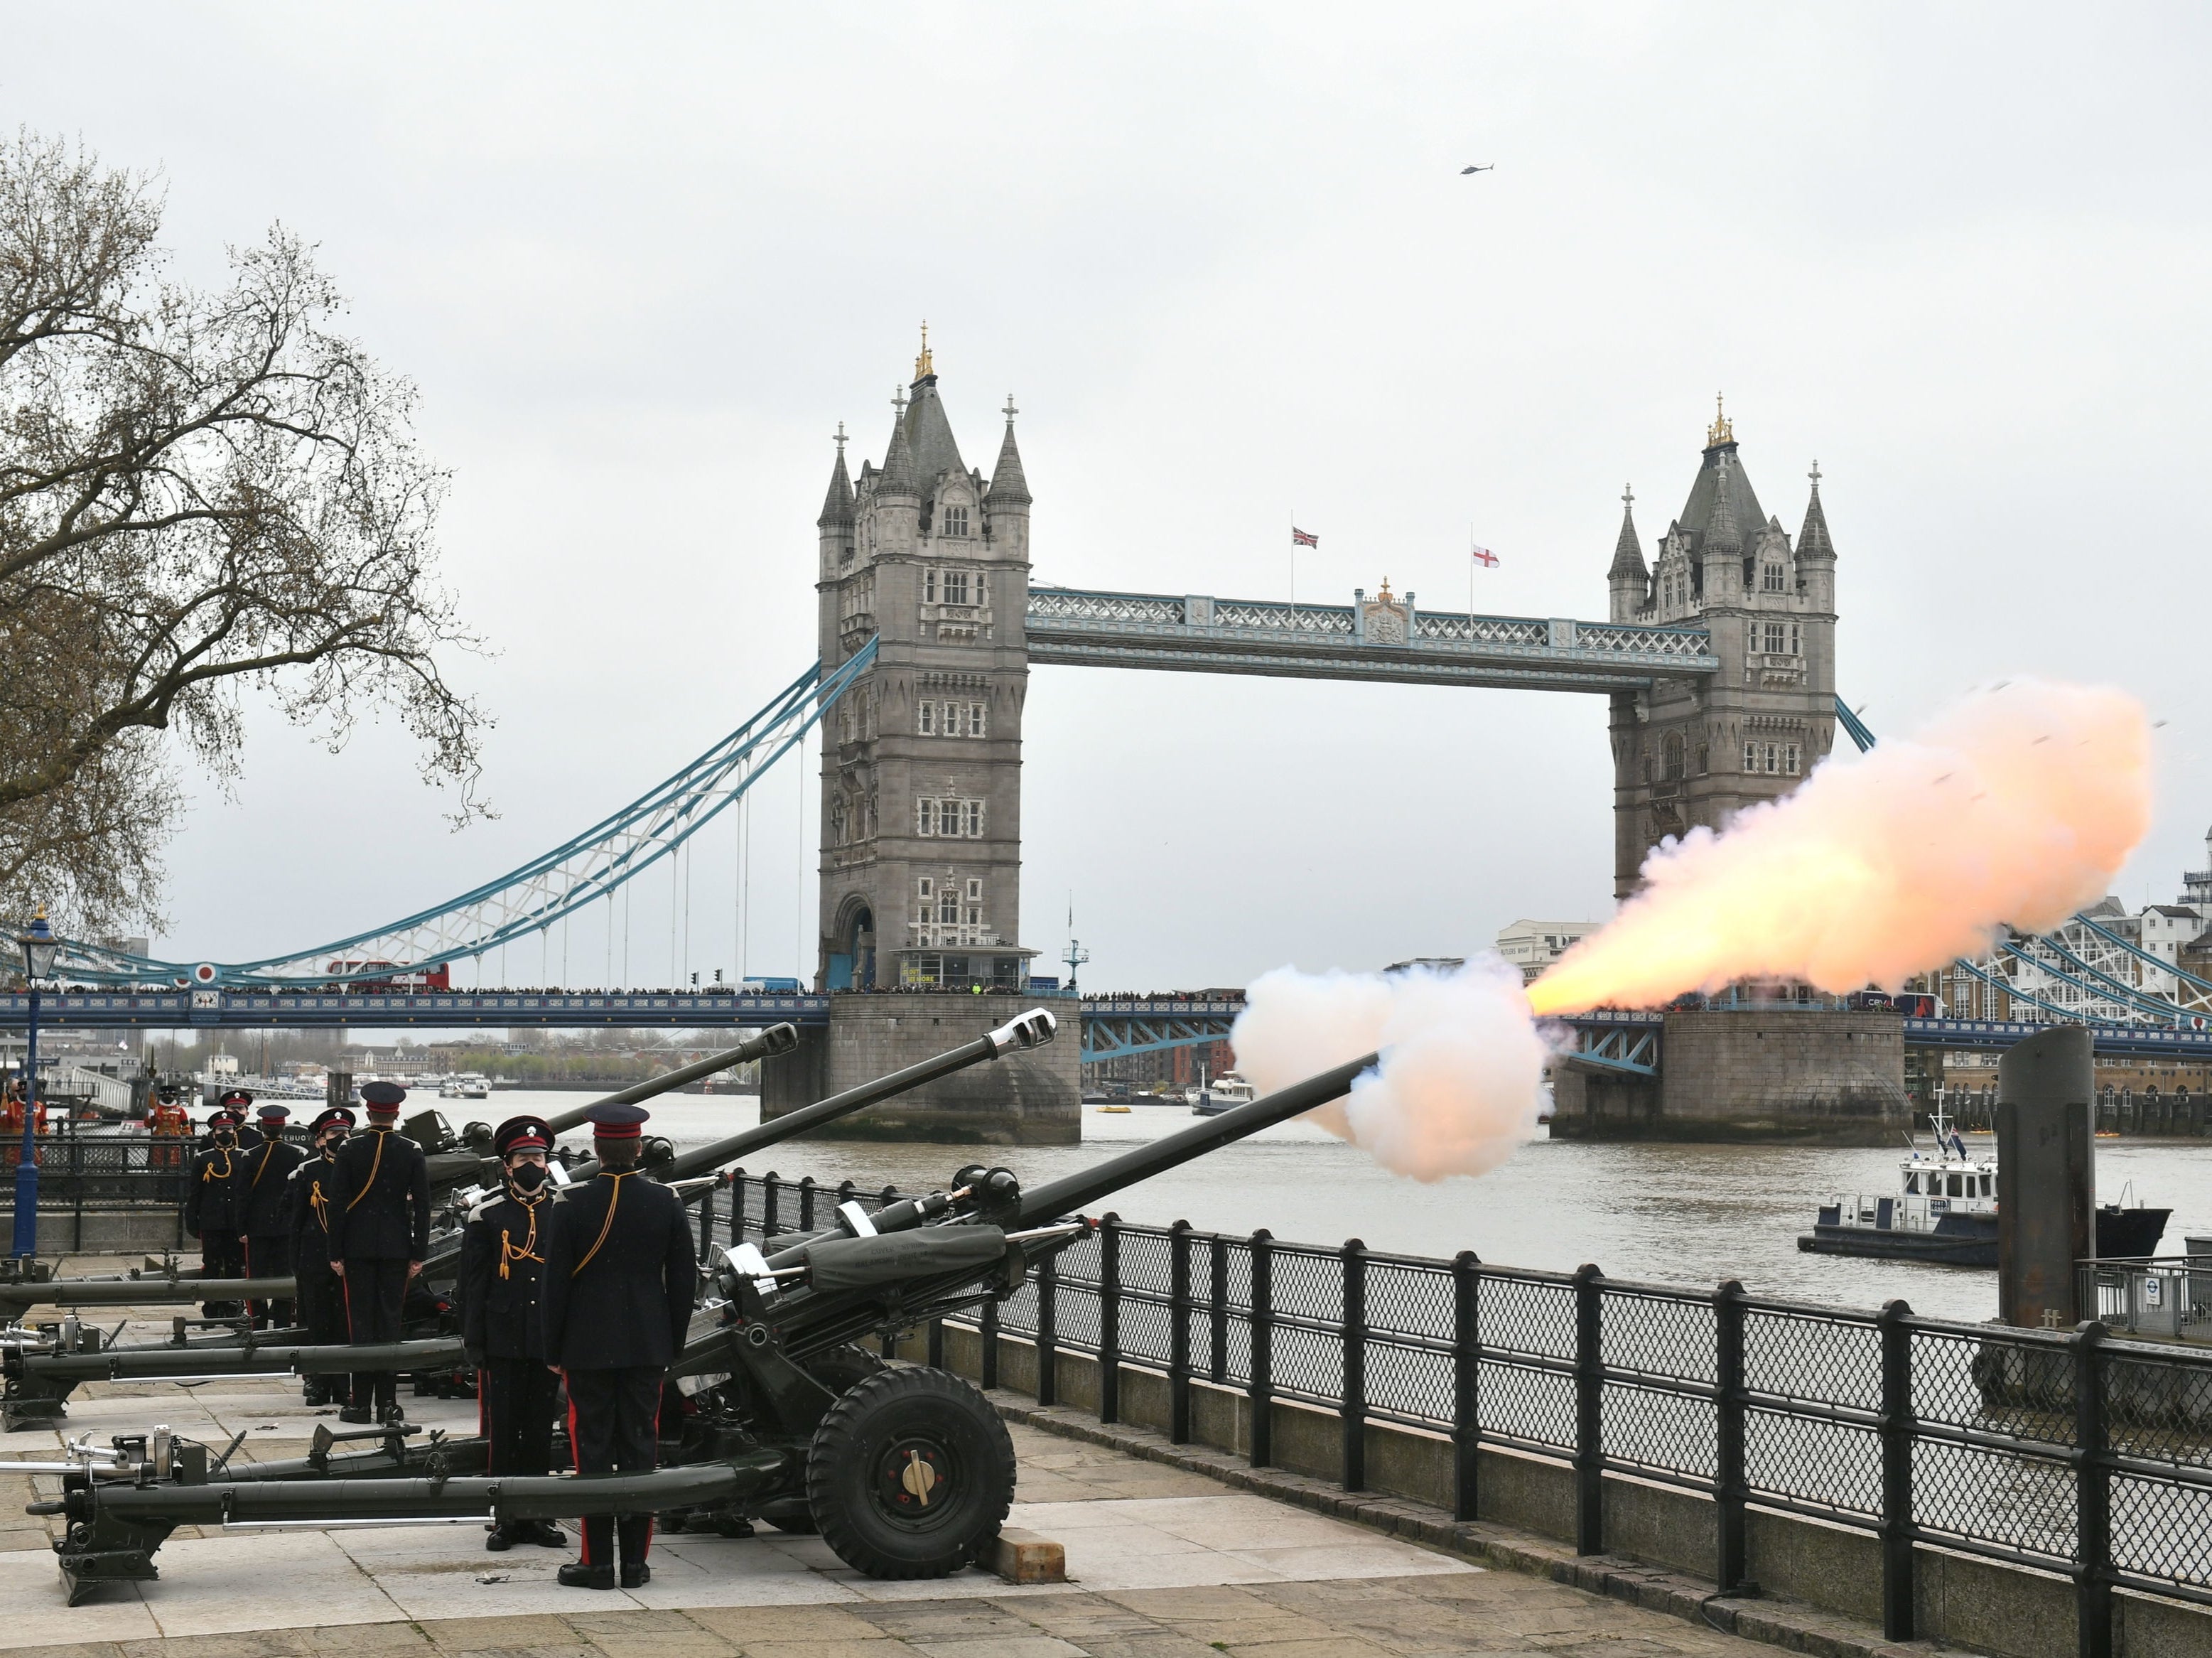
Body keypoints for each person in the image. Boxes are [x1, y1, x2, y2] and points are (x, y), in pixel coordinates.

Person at [541, 1102, 696, 1590]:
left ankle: (596, 1562)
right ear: (638, 1146)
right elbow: (684, 1282)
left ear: (595, 1148)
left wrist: (552, 1348)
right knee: (639, 1449)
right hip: (647, 1345)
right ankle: (635, 1563)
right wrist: (669, 1342)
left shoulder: (570, 1203)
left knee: (590, 1451)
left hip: (585, 1346)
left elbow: (554, 1287)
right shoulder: (666, 1201)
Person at [460, 1114, 566, 1551]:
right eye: (523, 1157)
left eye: (538, 1158)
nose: (531, 1165)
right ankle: (505, 1516)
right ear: (507, 1165)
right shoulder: (487, 1214)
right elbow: (473, 1286)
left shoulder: (563, 1210)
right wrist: (475, 1341)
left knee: (541, 1429)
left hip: (545, 1337)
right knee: (504, 1430)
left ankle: (538, 1515)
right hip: (503, 1336)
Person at [324, 1080, 429, 1425]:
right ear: (396, 1114)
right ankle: (388, 1404)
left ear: (368, 1113)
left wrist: (335, 1251)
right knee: (389, 1325)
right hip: (397, 1248)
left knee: (361, 1328)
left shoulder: (350, 1150)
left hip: (357, 1247)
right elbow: (423, 1207)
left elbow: (337, 1205)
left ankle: (360, 1404)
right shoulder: (411, 1150)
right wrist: (419, 1253)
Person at [286, 1107, 355, 1405]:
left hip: (348, 1258)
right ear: (320, 1139)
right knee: (317, 1324)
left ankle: (342, 1384)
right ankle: (316, 1382)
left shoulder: (357, 1167)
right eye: (334, 1134)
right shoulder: (308, 1171)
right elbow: (297, 1221)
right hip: (314, 1257)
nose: (340, 1138)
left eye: (345, 1133)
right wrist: (297, 1263)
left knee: (343, 1324)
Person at [240, 1102, 304, 1328]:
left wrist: (242, 1229)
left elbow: (243, 1196)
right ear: (283, 1127)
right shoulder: (296, 1155)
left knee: (256, 1280)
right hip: (285, 1226)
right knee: (284, 1279)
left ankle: (257, 1325)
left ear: (262, 1128)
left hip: (257, 1227)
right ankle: (282, 1324)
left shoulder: (250, 1156)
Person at [183, 1107, 251, 1318]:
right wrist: (192, 1221)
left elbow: (247, 1193)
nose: (226, 1133)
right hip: (212, 1221)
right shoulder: (203, 1159)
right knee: (211, 1265)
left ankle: (231, 1308)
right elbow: (195, 1193)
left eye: (229, 1129)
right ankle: (211, 1308)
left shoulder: (243, 1157)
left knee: (234, 1267)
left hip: (235, 1223)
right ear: (214, 1134)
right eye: (221, 1129)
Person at [148, 1086, 192, 1171]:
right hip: (159, 1137)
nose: (168, 1097)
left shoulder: (180, 1110)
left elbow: (186, 1125)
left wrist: (186, 1137)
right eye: (166, 1095)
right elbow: (149, 1124)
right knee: (158, 1159)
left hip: (175, 1138)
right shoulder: (156, 1110)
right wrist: (150, 1116)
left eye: (171, 1095)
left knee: (176, 1160)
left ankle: (176, 1171)